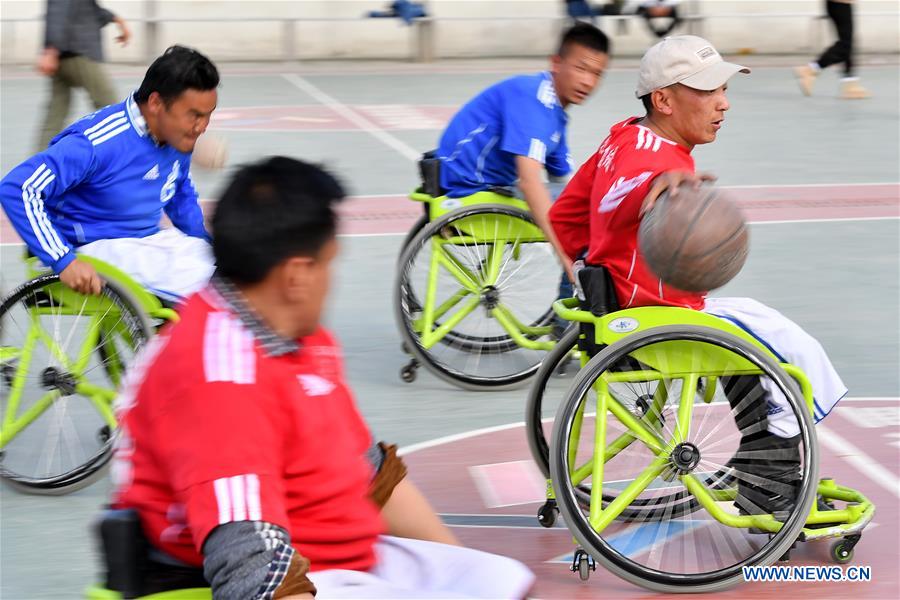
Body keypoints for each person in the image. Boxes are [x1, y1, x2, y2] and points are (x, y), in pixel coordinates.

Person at [107, 156, 535, 599]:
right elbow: (253, 571)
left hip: (347, 557)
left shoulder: (299, 337)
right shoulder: (220, 380)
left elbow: (368, 472)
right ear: (296, 275)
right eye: (328, 264)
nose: (331, 280)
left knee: (502, 582)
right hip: (298, 573)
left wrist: (457, 562)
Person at [549, 35, 847, 515]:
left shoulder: (622, 136)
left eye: (723, 89)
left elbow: (565, 216)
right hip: (658, 318)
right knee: (792, 352)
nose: (724, 103)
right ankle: (770, 475)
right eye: (708, 91)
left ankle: (765, 459)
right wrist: (653, 187)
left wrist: (591, 274)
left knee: (758, 325)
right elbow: (631, 187)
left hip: (623, 311)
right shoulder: (655, 160)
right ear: (663, 100)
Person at [0, 45, 219, 302]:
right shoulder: (96, 143)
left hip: (145, 241)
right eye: (194, 115)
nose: (202, 127)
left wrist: (204, 243)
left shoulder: (175, 138)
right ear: (156, 103)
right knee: (206, 288)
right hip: (90, 247)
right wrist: (63, 260)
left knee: (231, 270)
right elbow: (18, 187)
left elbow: (179, 193)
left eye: (208, 116)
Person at [436, 22, 610, 283]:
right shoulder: (533, 100)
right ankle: (570, 313)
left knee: (595, 202)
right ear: (556, 63)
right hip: (470, 187)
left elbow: (565, 179)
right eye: (581, 68)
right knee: (589, 213)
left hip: (484, 181)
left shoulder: (555, 111)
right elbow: (529, 182)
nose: (588, 81)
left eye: (597, 74)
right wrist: (563, 253)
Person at [37, 0, 132, 151]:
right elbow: (59, 8)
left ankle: (36, 165)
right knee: (112, 111)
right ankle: (120, 162)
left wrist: (116, 19)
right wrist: (51, 49)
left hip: (65, 55)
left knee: (54, 118)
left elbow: (88, 8)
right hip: (80, 53)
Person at [794, 0, 870, 99]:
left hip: (839, 4)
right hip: (840, 4)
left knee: (847, 42)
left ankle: (850, 84)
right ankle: (811, 68)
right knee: (845, 45)